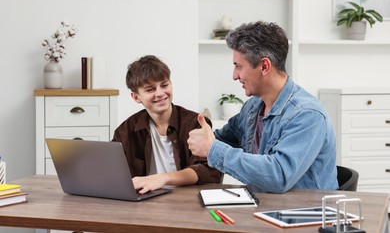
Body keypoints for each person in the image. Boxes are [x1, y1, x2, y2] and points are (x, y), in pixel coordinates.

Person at [187, 21, 338, 193]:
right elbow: (219, 139)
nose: (234, 76)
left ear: (264, 66)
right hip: (265, 207)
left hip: (305, 214)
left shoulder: (307, 115)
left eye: (238, 66)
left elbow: (278, 176)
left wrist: (213, 149)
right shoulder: (253, 107)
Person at [112, 55, 221, 194]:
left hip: (187, 200)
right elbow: (112, 172)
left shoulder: (194, 122)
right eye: (150, 89)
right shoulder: (125, 130)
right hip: (144, 201)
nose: (160, 93)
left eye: (164, 85)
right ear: (136, 97)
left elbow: (208, 170)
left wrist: (164, 178)